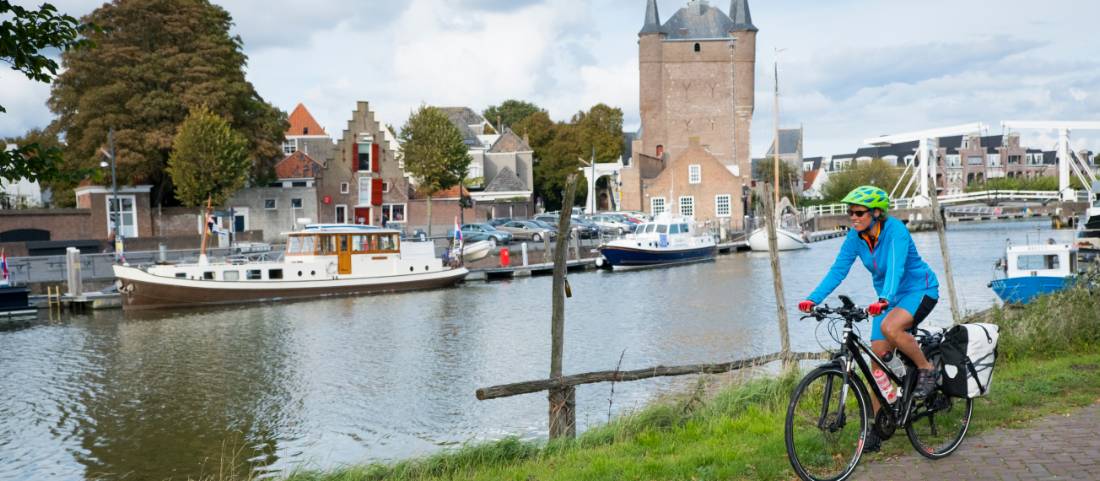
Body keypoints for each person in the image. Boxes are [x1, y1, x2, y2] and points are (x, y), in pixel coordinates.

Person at [798, 186, 940, 451]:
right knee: (877, 359)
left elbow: (896, 268)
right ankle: (880, 425)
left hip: (919, 290)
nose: (853, 217)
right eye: (850, 212)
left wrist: (884, 299)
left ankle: (926, 370)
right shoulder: (856, 237)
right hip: (887, 298)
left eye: (859, 212)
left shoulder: (895, 230)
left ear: (876, 213)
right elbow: (838, 270)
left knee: (890, 327)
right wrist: (813, 299)